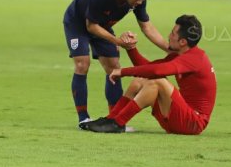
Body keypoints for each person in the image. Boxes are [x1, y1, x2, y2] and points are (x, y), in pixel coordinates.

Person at [63, 0, 168, 128]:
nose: (140, 2)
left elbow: (146, 26)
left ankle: (115, 120)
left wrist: (169, 49)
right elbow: (90, 26)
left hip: (101, 25)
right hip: (77, 24)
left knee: (114, 68)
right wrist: (117, 41)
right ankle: (83, 118)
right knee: (82, 64)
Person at [83, 15, 217, 135]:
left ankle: (118, 123)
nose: (169, 36)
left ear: (183, 42)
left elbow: (156, 72)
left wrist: (122, 72)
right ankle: (111, 119)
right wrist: (131, 48)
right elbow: (148, 68)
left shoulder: (195, 58)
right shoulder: (182, 55)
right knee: (140, 80)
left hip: (193, 123)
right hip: (178, 118)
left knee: (158, 82)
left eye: (173, 33)